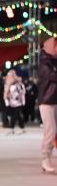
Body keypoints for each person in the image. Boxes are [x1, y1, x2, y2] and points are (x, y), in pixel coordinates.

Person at [37, 37, 57, 173]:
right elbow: (53, 76)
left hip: (54, 100)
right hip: (46, 101)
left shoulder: (53, 62)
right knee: (50, 131)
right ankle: (45, 159)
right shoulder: (45, 64)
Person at [4, 69, 26, 134]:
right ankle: (22, 128)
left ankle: (11, 128)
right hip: (11, 102)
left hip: (18, 102)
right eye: (9, 75)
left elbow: (22, 92)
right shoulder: (7, 84)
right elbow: (5, 93)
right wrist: (6, 100)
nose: (9, 77)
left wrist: (17, 96)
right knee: (18, 116)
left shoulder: (18, 83)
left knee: (15, 116)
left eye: (11, 75)